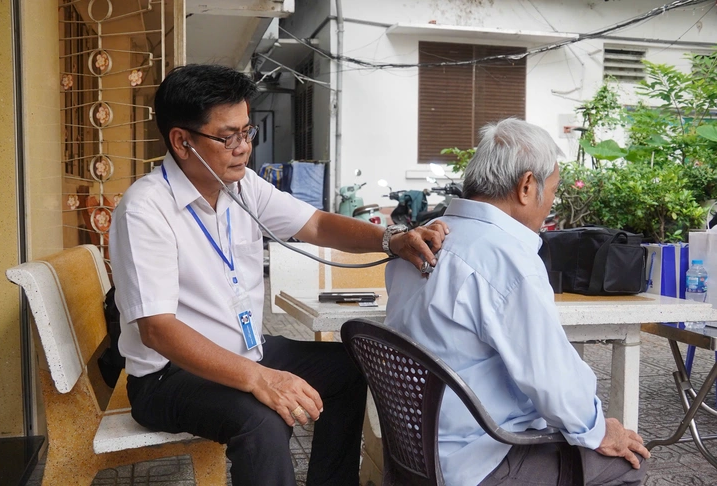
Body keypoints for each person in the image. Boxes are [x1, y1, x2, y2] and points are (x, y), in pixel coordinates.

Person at [108, 63, 448, 486]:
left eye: (246, 132)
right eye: (228, 137)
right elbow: (157, 330)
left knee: (351, 366)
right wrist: (260, 378)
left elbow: (317, 224)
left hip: (247, 351)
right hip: (169, 376)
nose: (243, 148)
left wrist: (391, 240)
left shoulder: (243, 187)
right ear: (181, 141)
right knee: (262, 420)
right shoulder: (145, 210)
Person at [385, 118, 650, 486]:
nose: (550, 204)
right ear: (527, 186)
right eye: (552, 191)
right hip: (476, 463)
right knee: (629, 465)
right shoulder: (506, 259)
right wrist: (600, 430)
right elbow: (553, 384)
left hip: (413, 451)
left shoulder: (420, 241)